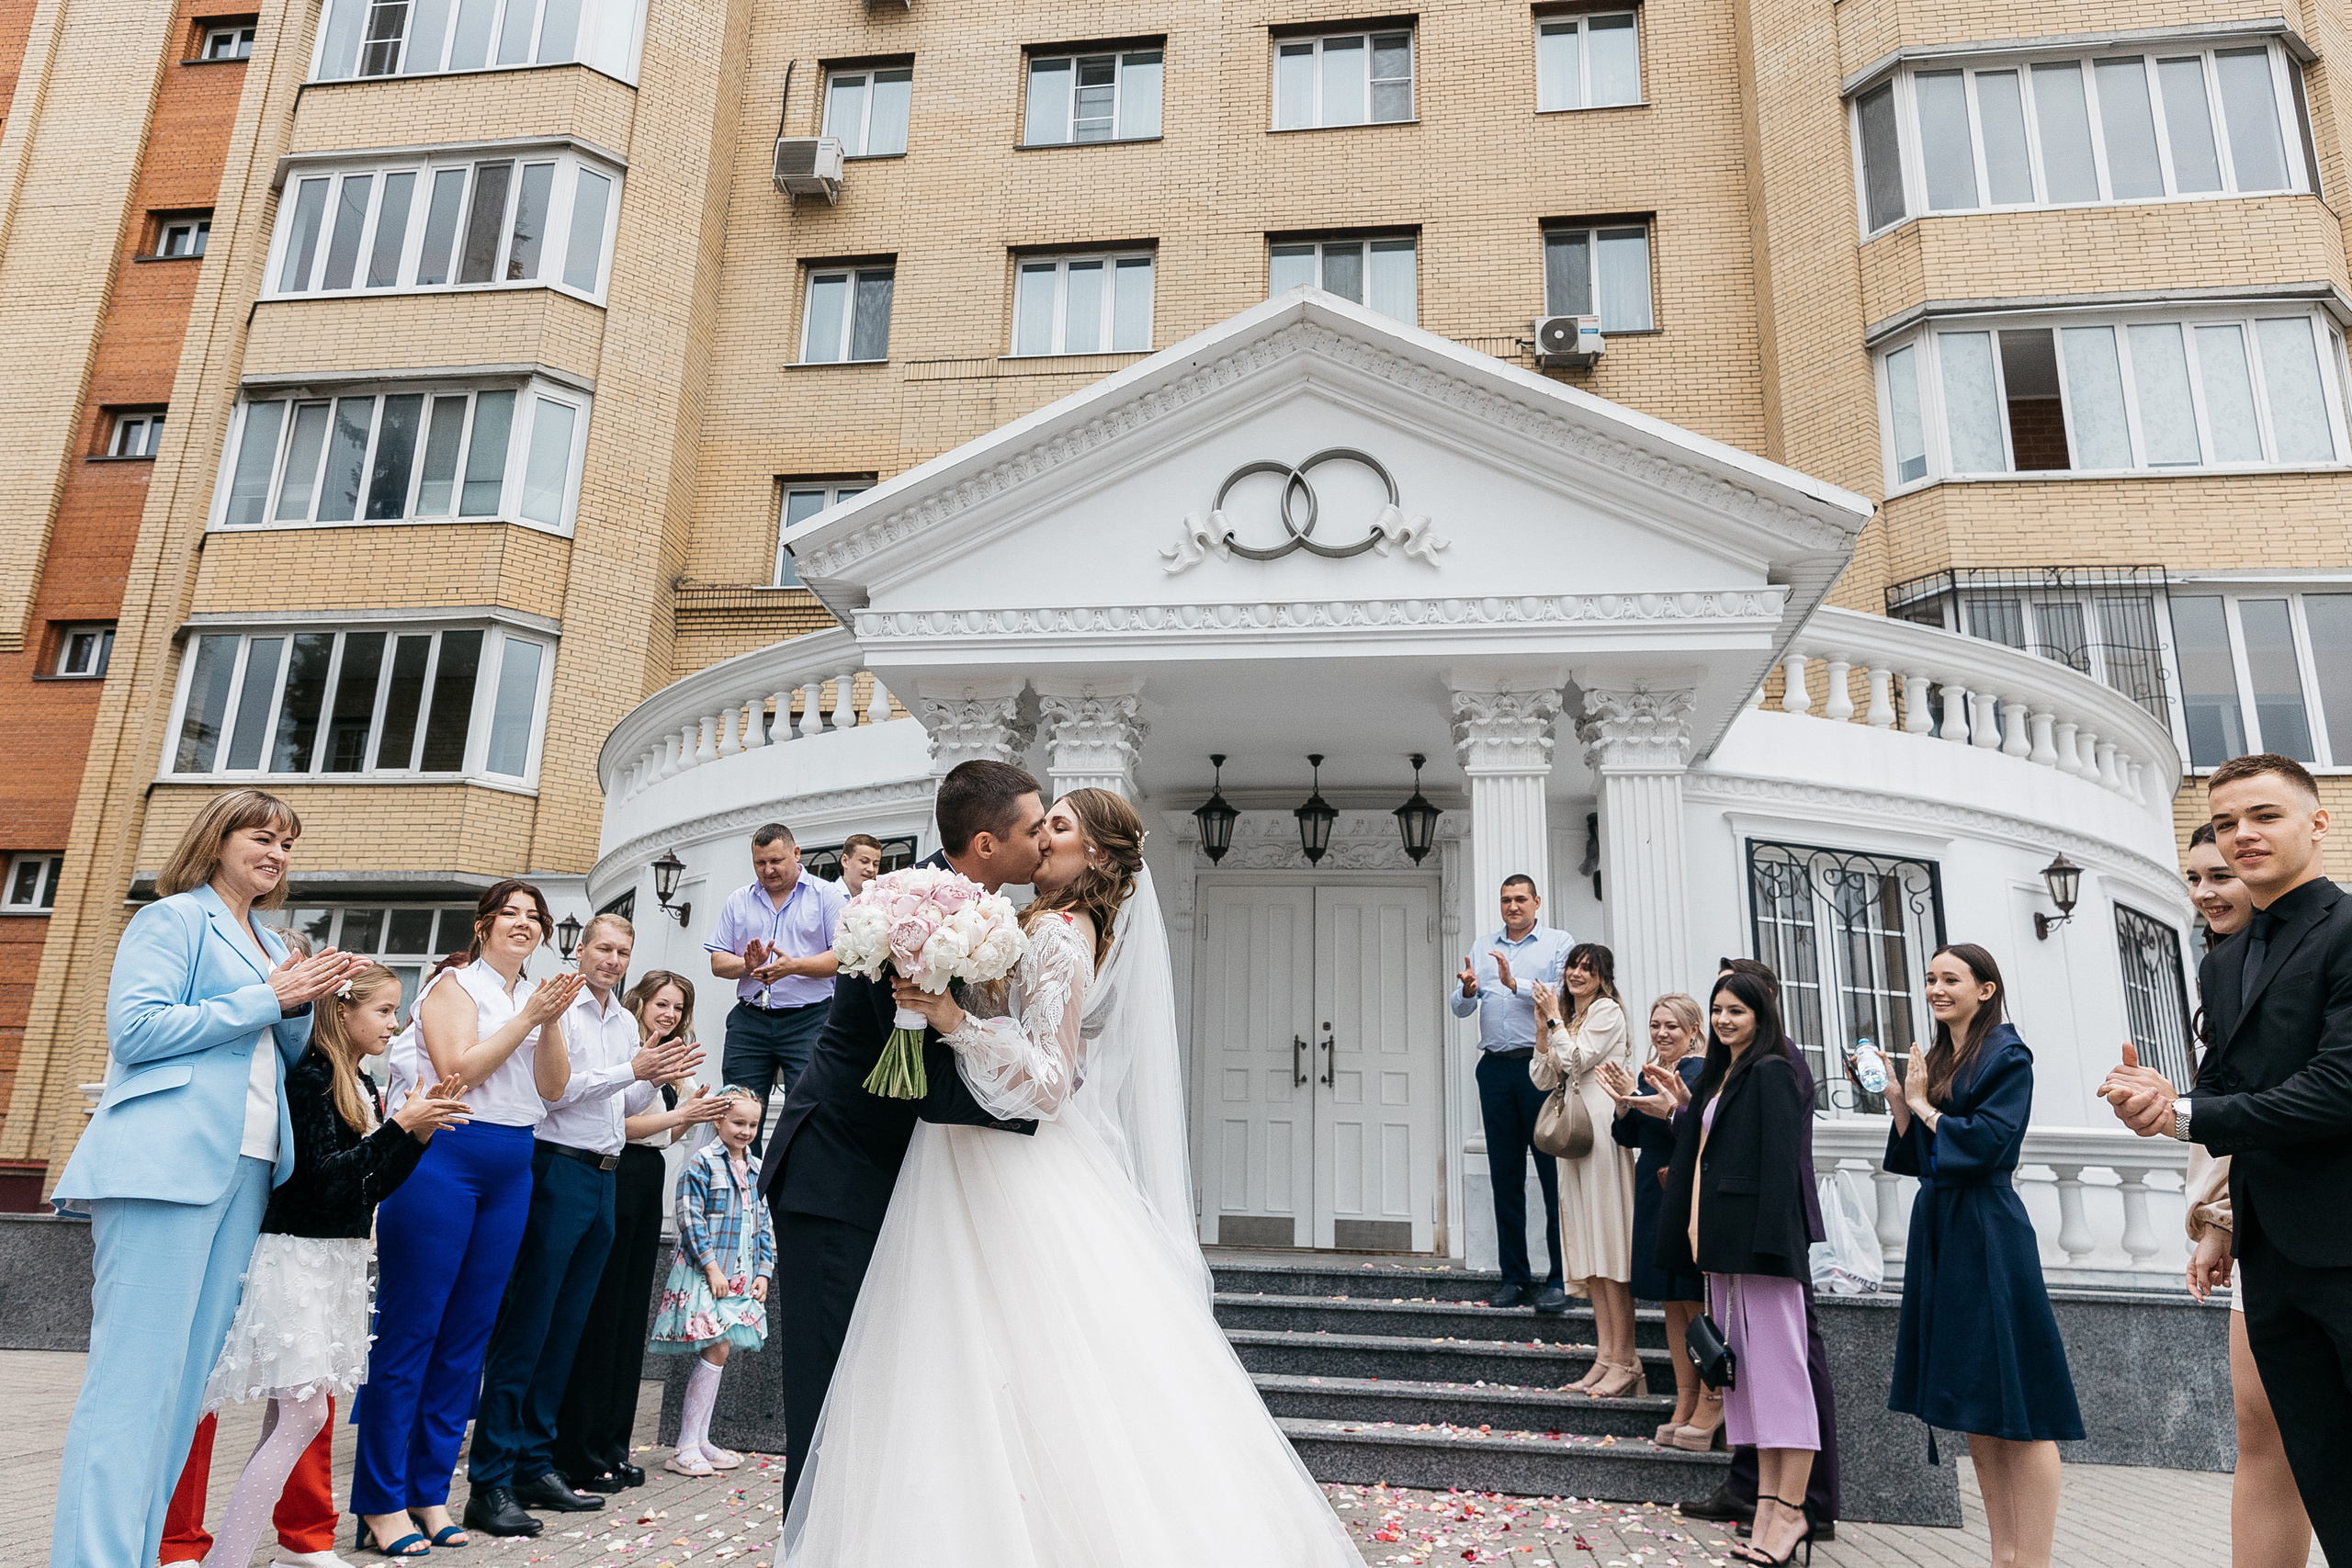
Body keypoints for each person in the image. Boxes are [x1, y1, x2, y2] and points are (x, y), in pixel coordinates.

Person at [783, 786, 1359, 1563]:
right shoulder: (1019, 923)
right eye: (1038, 823)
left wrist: (953, 1019)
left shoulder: (1057, 933)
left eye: (1059, 826)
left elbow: (1052, 1080)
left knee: (1022, 1365)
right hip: (957, 1159)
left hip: (1005, 1163)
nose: (1044, 836)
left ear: (1094, 854)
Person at [50, 789, 367, 1568]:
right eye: (263, 837)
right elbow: (137, 1027)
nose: (278, 854)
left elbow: (274, 1055)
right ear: (216, 839)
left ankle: (129, 1553)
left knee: (183, 1395)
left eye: (288, 844)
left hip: (249, 1170)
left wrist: (300, 1002)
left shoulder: (265, 938)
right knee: (133, 1386)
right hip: (165, 1166)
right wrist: (271, 995)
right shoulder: (171, 918)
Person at [757, 758, 1049, 1509]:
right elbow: (913, 1075)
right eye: (1032, 827)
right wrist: (1030, 1106)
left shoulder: (970, 911)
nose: (1043, 840)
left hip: (898, 1183)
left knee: (886, 1399)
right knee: (828, 1404)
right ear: (986, 844)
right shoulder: (905, 914)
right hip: (836, 1179)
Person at [2103, 752, 2352, 1560]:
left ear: (2318, 822)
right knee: (2321, 1470)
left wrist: (2183, 1112)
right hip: (2273, 1256)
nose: (2241, 835)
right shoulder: (2224, 959)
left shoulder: (2349, 932)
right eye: (2224, 822)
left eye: (2264, 816)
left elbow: (2337, 1090)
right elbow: (2230, 1095)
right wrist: (2165, 1109)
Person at [195, 966, 470, 1567]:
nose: (394, 1024)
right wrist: (400, 1126)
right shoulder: (312, 1079)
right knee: (305, 1412)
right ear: (343, 1011)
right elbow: (320, 1180)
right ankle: (226, 1557)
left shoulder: (360, 1082)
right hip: (297, 1255)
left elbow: (371, 1185)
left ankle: (258, 1551)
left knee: (293, 1412)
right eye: (384, 1011)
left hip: (340, 1258)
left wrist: (415, 1136)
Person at [353, 880, 583, 1549]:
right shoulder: (455, 986)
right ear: (483, 926)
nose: (523, 922)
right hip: (444, 1154)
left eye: (533, 915)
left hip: (513, 1160)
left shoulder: (531, 998)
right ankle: (378, 1500)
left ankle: (428, 1492)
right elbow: (457, 1069)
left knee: (466, 1338)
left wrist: (550, 1017)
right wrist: (526, 1017)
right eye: (508, 912)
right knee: (413, 1331)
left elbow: (552, 1087)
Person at [470, 914, 701, 1517]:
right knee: (529, 1326)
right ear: (581, 948)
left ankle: (536, 1463)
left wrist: (655, 1069)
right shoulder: (559, 1007)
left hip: (606, 1174)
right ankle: (492, 1473)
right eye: (604, 947)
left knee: (566, 1328)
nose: (613, 959)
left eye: (623, 951)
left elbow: (623, 1102)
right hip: (556, 1167)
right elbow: (557, 1090)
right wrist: (635, 1068)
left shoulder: (625, 1021)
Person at [1874, 944, 2081, 1568]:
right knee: (1975, 1403)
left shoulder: (2007, 1054)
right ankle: (2004, 1554)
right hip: (1940, 1224)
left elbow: (1991, 1142)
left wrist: (1926, 1106)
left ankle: (2033, 1558)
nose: (1936, 987)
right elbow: (1920, 1156)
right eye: (1931, 977)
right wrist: (1897, 1099)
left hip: (1988, 1227)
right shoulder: (1938, 1054)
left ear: (1986, 989)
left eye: (1951, 978)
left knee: (2021, 1398)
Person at [162, 918, 346, 1568]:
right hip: (214, 1182)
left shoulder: (310, 1050)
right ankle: (177, 1541)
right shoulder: (218, 1013)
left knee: (304, 1386)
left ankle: (306, 1532)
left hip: (289, 1226)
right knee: (200, 1377)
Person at [2176, 822, 2312, 1568]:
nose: (2205, 892)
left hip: (2327, 1224)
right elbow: (2227, 1113)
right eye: (2194, 877)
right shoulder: (2220, 971)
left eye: (2219, 875)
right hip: (2260, 1225)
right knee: (2260, 1426)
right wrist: (2218, 1220)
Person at [1656, 972, 1822, 1568]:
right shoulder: (1727, 1073)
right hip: (1723, 1250)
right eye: (1719, 1010)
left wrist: (1774, 1248)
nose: (1725, 1019)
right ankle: (1771, 1510)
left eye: (1737, 1010)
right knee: (1750, 1389)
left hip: (1764, 1251)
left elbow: (1782, 1165)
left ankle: (1791, 1512)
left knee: (1783, 1384)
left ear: (1761, 1013)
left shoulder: (1773, 1071)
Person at [554, 970, 729, 1492]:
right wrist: (679, 1103)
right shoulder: (627, 1048)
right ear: (641, 1002)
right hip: (617, 1168)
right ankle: (583, 1446)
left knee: (630, 1316)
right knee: (604, 1313)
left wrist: (690, 1104)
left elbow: (672, 1134)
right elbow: (619, 1126)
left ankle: (614, 1444)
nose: (670, 1014)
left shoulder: (665, 1059)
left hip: (648, 1176)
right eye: (663, 1003)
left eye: (679, 1007)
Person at [1450, 874, 1577, 1312]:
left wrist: (1512, 983)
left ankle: (1560, 1278)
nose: (1513, 906)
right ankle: (1514, 1278)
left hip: (1538, 1069)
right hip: (1495, 1070)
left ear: (1537, 901)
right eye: (1506, 900)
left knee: (1551, 1175)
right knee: (1504, 1176)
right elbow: (1462, 1005)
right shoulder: (1485, 944)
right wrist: (1467, 990)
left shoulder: (1558, 943)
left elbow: (1563, 994)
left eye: (1521, 899)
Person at [1599, 993, 1712, 1445]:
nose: (1662, 1033)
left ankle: (1708, 1397)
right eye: (1655, 1025)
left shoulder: (1698, 1071)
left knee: (1692, 1297)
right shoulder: (1649, 1072)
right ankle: (1684, 1398)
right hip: (1651, 1186)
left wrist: (1664, 1108)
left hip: (1682, 1188)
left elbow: (1696, 1127)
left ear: (1692, 1030)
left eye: (1672, 1026)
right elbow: (1626, 1137)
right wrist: (1625, 1104)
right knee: (1669, 1299)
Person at [1530, 943, 1639, 1394]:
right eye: (1572, 966)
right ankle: (1605, 1355)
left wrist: (1554, 1019)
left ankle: (1628, 1360)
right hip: (1572, 1132)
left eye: (1587, 969)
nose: (1577, 974)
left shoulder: (1607, 1012)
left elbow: (1576, 1061)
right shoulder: (1568, 1020)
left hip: (1601, 1126)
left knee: (1608, 1242)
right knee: (1587, 1243)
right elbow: (1542, 1077)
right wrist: (1543, 1031)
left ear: (1602, 976)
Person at [650, 1087, 775, 1475]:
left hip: (739, 1276)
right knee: (716, 1347)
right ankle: (686, 1444)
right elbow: (689, 1219)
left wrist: (763, 1271)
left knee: (719, 1351)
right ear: (717, 1120)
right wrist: (710, 1267)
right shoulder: (701, 1164)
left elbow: (764, 1223)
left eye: (753, 1124)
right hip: (709, 1275)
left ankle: (699, 1439)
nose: (746, 1131)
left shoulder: (755, 1169)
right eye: (738, 1122)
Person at [707, 823, 850, 1156]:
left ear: (796, 854)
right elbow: (717, 962)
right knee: (736, 1109)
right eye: (760, 863)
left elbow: (843, 957)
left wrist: (793, 967)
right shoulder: (739, 900)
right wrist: (747, 966)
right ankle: (742, 1190)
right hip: (749, 1020)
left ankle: (793, 1195)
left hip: (810, 1019)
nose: (768, 870)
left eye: (776, 861)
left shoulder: (827, 895)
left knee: (810, 1108)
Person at [838, 832, 885, 897]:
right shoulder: (825, 896)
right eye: (864, 861)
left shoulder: (879, 899)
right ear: (845, 861)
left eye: (875, 864)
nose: (871, 869)